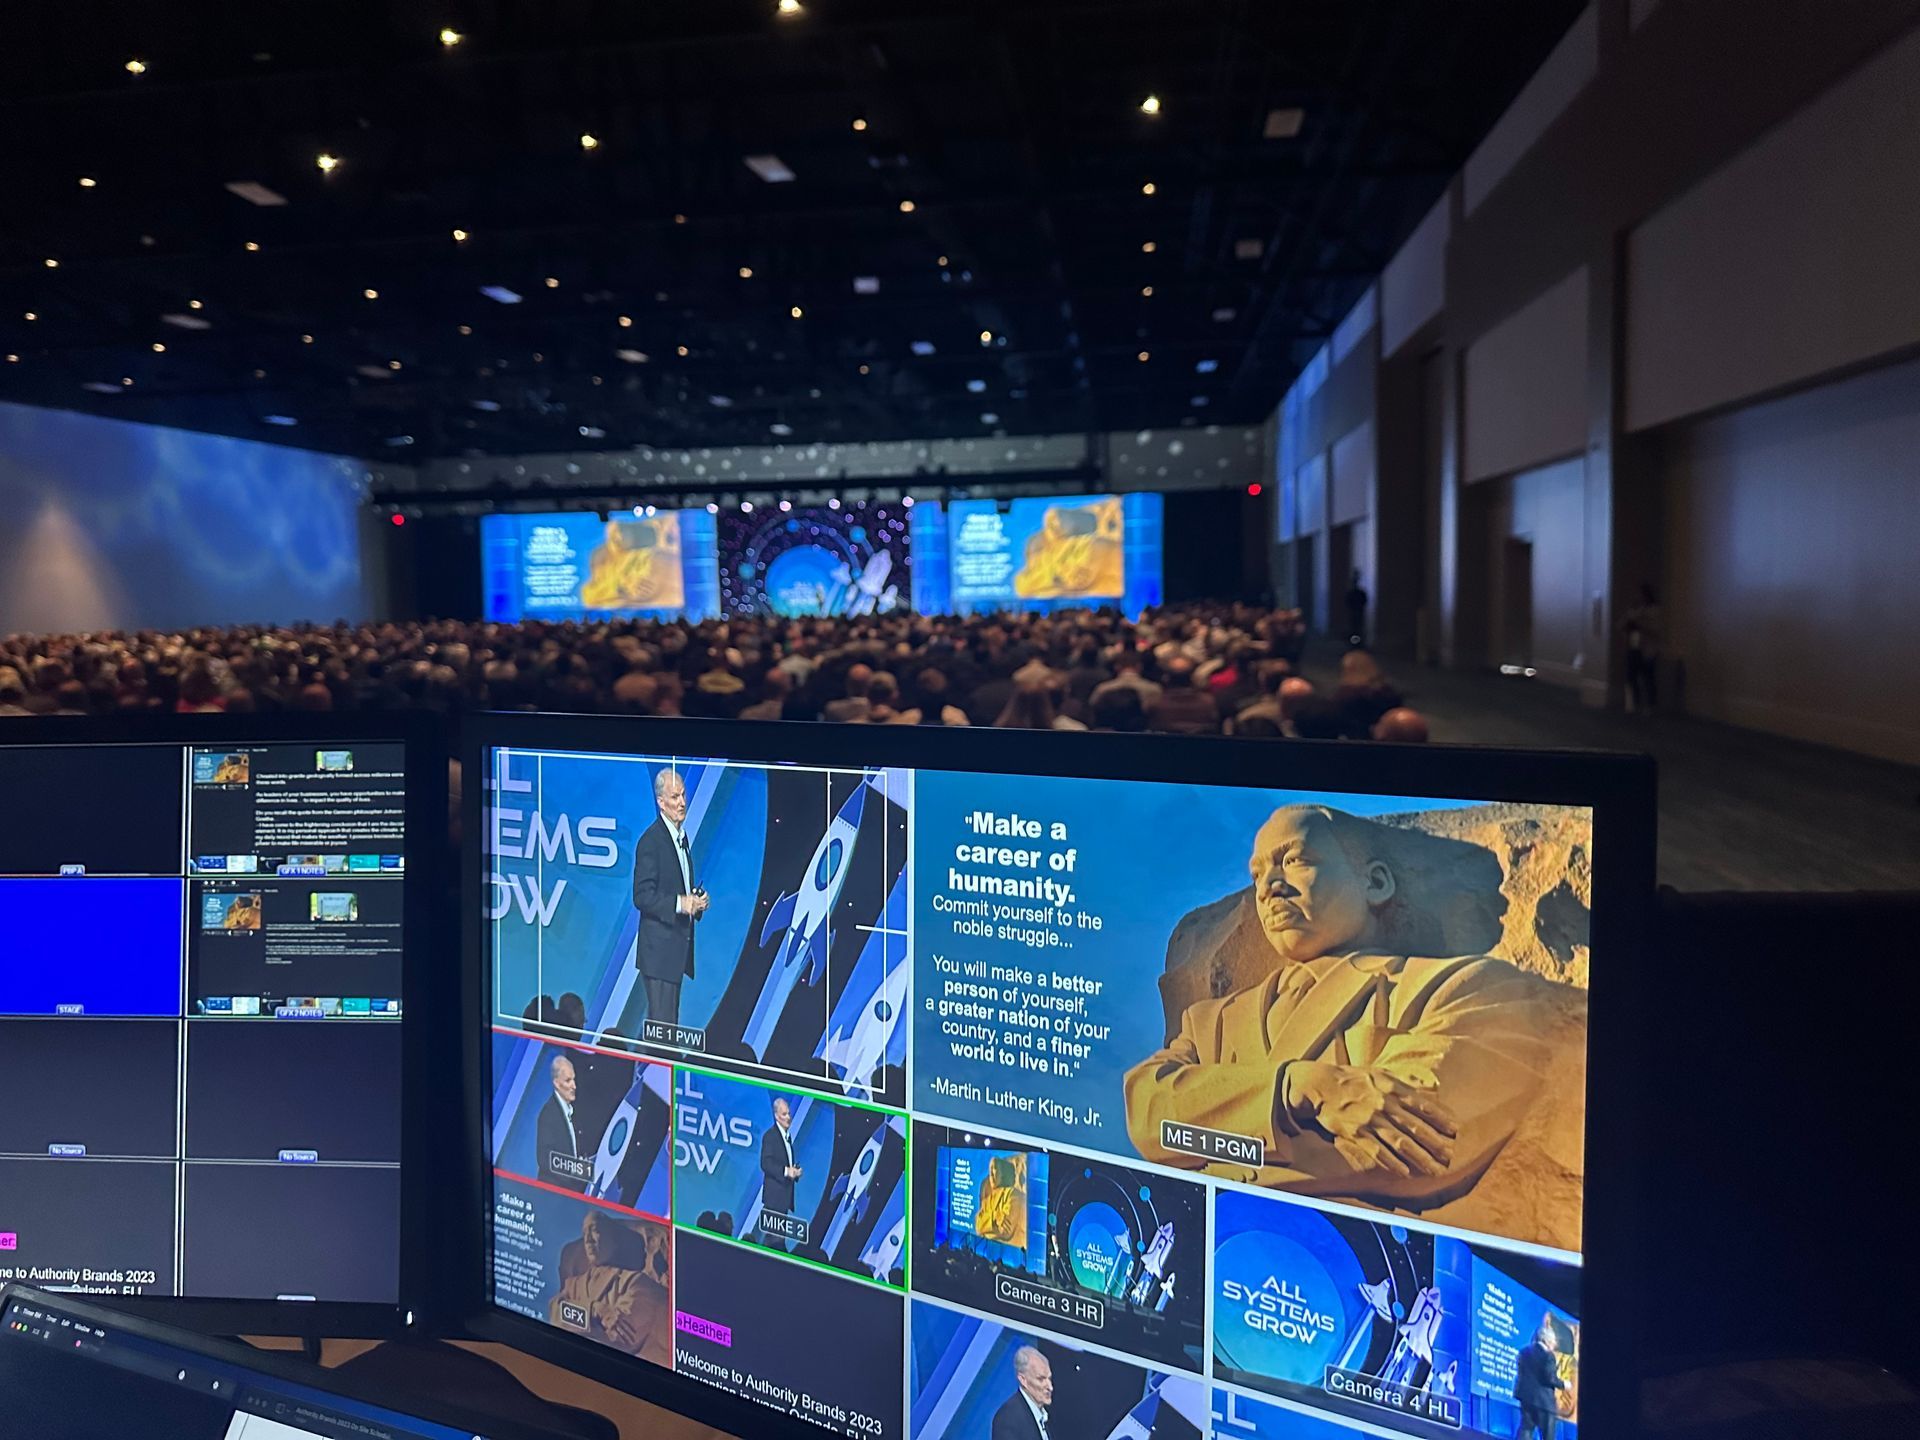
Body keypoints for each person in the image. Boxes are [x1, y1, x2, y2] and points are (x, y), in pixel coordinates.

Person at [1123, 803, 1574, 1228]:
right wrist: (1294, 1087)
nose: (1268, 886)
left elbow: (1419, 1145)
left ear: (1376, 883)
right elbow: (1148, 1114)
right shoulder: (1211, 1023)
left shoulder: (1465, 986)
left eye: (1294, 860)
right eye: (1257, 874)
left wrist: (1215, 1153)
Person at [631, 767, 706, 1027]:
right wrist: (680, 903)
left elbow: (677, 885)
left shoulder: (680, 838)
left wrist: (695, 902)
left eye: (683, 795)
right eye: (675, 797)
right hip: (659, 954)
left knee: (668, 1027)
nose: (682, 802)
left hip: (675, 952)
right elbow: (642, 896)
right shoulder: (651, 842)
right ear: (661, 803)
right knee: (662, 1028)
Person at [549, 1211, 669, 1362]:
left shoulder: (635, 1281)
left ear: (613, 1239)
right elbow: (555, 1313)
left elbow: (621, 1338)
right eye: (585, 1233)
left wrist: (574, 1321)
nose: (588, 1240)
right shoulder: (573, 1284)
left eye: (595, 1230)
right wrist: (595, 1310)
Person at [536, 1053, 589, 1193]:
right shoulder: (548, 1114)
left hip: (573, 1191)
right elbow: (545, 1159)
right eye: (568, 1081)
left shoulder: (574, 1113)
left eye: (574, 1079)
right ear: (556, 1083)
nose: (574, 1086)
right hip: (553, 1193)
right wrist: (574, 1176)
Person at [1513, 1321, 1570, 1438]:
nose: (1554, 1344)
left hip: (1526, 1399)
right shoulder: (1548, 1356)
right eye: (1553, 1341)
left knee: (1526, 1430)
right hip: (1544, 1403)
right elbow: (1550, 1378)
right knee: (1548, 1436)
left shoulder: (1523, 1352)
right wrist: (1564, 1384)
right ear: (1546, 1340)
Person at [758, 1095, 802, 1245]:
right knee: (773, 1242)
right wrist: (786, 1171)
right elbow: (766, 1163)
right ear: (776, 1116)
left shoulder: (787, 1137)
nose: (788, 1117)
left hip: (784, 1199)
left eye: (789, 1113)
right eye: (784, 1114)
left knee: (778, 1240)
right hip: (774, 1200)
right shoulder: (770, 1136)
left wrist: (794, 1172)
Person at [991, 1345, 1054, 1440]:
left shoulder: (1043, 1417)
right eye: (1041, 1379)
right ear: (1023, 1380)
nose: (1050, 1387)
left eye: (1049, 1378)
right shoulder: (1008, 1417)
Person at [1621, 583, 1662, 715]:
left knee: (1648, 677)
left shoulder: (1654, 611)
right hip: (1634, 646)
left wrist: (1640, 623)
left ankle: (1650, 705)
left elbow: (1655, 630)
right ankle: (1634, 703)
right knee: (1631, 676)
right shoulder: (1636, 610)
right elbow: (1624, 625)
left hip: (1648, 649)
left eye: (1641, 594)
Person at [1345, 569, 1369, 645]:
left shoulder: (1359, 593)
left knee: (1357, 629)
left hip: (1357, 613)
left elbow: (1364, 601)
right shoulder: (1354, 593)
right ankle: (1355, 643)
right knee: (1354, 629)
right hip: (1355, 613)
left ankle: (1356, 643)